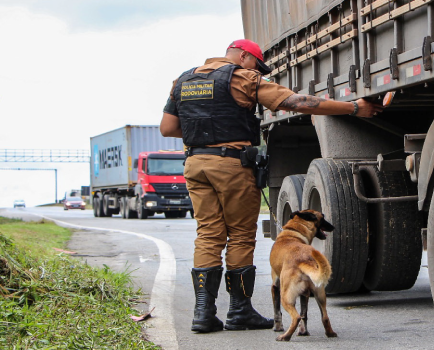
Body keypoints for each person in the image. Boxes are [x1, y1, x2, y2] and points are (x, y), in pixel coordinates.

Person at [160, 39, 383, 334]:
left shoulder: (183, 81)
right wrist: (353, 108)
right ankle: (239, 312)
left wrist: (204, 132)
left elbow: (168, 128)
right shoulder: (241, 77)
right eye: (257, 65)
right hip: (231, 164)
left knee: (208, 235)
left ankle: (203, 314)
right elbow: (297, 102)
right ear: (243, 56)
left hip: (195, 164)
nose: (259, 73)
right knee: (240, 236)